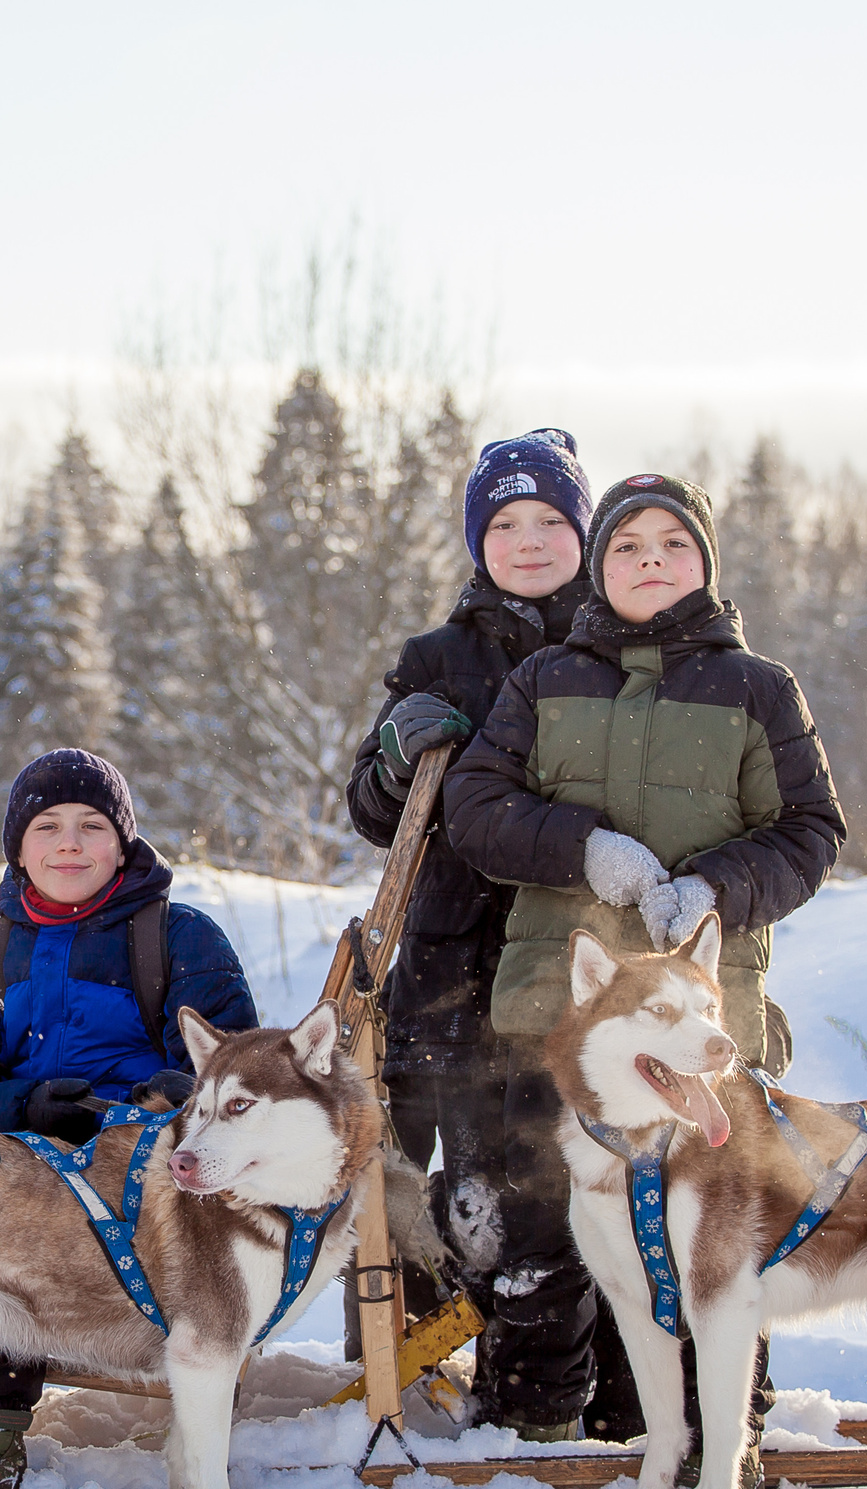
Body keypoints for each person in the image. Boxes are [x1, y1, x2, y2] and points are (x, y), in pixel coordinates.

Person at [443, 473, 846, 1489]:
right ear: (600, 564)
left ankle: (722, 1453)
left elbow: (810, 830)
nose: (650, 562)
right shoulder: (541, 679)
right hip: (558, 1009)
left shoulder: (760, 689)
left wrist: (719, 884)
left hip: (702, 1014)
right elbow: (475, 808)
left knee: (710, 1242)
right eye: (628, 547)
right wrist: (587, 851)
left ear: (703, 562)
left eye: (673, 544)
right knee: (545, 1229)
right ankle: (530, 1442)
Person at [0, 747, 259, 1489]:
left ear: (122, 841)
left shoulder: (182, 937)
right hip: (27, 1153)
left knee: (25, 1214)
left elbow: (232, 1070)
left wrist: (149, 1100)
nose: (69, 843)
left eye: (91, 825)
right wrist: (25, 1103)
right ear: (18, 848)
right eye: (47, 826)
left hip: (144, 1164)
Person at [341, 428, 595, 1425]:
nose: (527, 540)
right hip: (455, 973)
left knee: (589, 1194)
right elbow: (368, 810)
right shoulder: (438, 659)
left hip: (584, 966)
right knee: (476, 1199)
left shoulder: (618, 649)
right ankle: (464, 1379)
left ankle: (605, 1402)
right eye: (503, 523)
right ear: (476, 542)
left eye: (547, 520)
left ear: (582, 531)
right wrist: (398, 757)